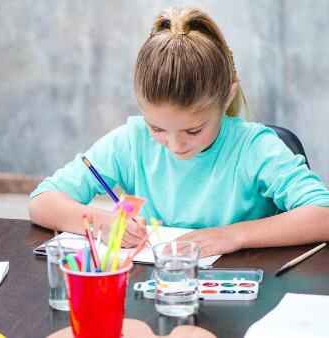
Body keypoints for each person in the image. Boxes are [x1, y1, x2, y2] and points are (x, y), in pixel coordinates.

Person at [29, 7, 329, 255]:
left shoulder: (254, 148)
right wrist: (98, 221)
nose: (175, 145)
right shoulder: (131, 142)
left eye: (194, 130)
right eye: (157, 128)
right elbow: (42, 201)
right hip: (157, 290)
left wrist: (233, 236)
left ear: (226, 97)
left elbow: (323, 214)